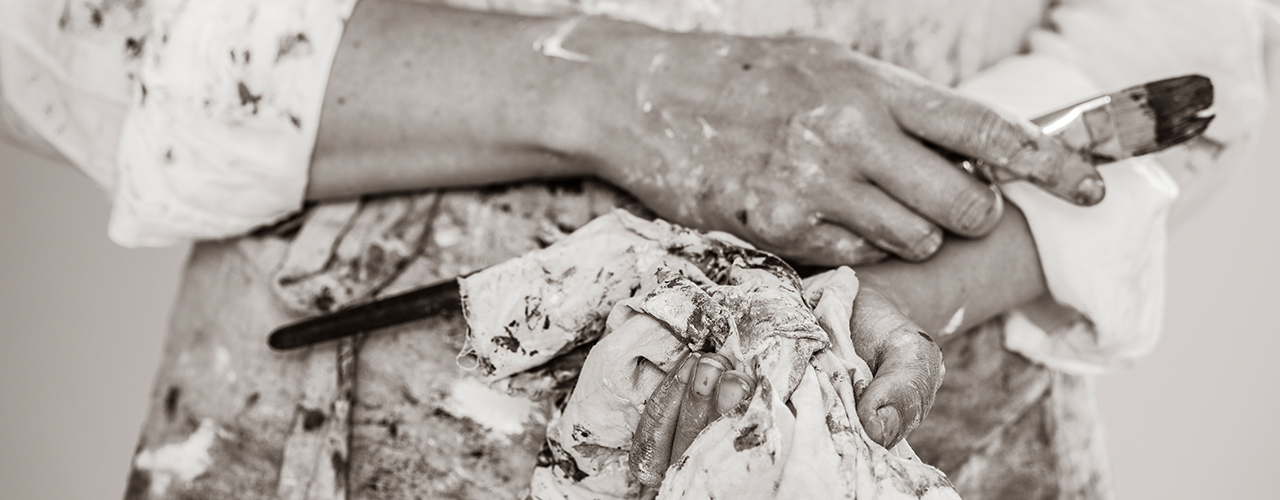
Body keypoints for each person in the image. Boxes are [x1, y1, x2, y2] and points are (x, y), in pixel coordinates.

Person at [0, 0, 1273, 498]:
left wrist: (892, 283)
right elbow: (55, 33)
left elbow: (1188, 40)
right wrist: (610, 85)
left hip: (915, 398)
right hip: (363, 411)